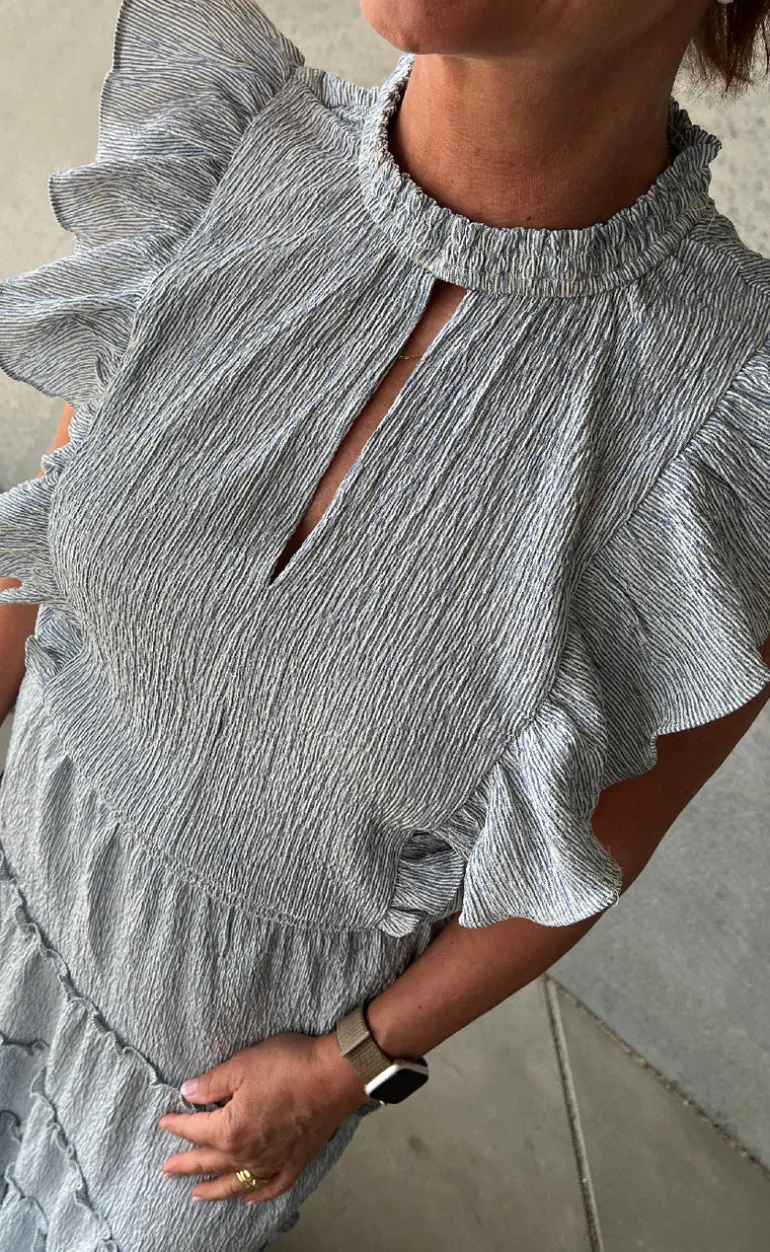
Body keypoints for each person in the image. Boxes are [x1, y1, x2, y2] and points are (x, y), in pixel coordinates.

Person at [0, 0, 769, 1247]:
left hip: (195, 1096)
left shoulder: (733, 418)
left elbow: (589, 845)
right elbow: (54, 538)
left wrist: (347, 1068)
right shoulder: (225, 150)